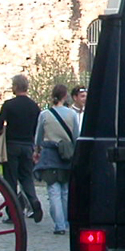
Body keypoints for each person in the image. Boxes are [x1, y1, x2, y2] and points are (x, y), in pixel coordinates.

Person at [0, 74, 43, 223]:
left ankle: (14, 213)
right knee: (26, 177)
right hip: (28, 145)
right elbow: (37, 128)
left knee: (10, 180)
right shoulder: (34, 106)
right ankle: (33, 200)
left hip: (12, 145)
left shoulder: (9, 105)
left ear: (15, 87)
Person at [33, 83, 80, 234]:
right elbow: (76, 136)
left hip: (50, 154)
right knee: (65, 190)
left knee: (53, 190)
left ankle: (59, 225)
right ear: (65, 96)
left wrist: (37, 150)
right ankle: (65, 222)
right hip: (66, 154)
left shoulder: (45, 115)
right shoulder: (72, 115)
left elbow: (38, 137)